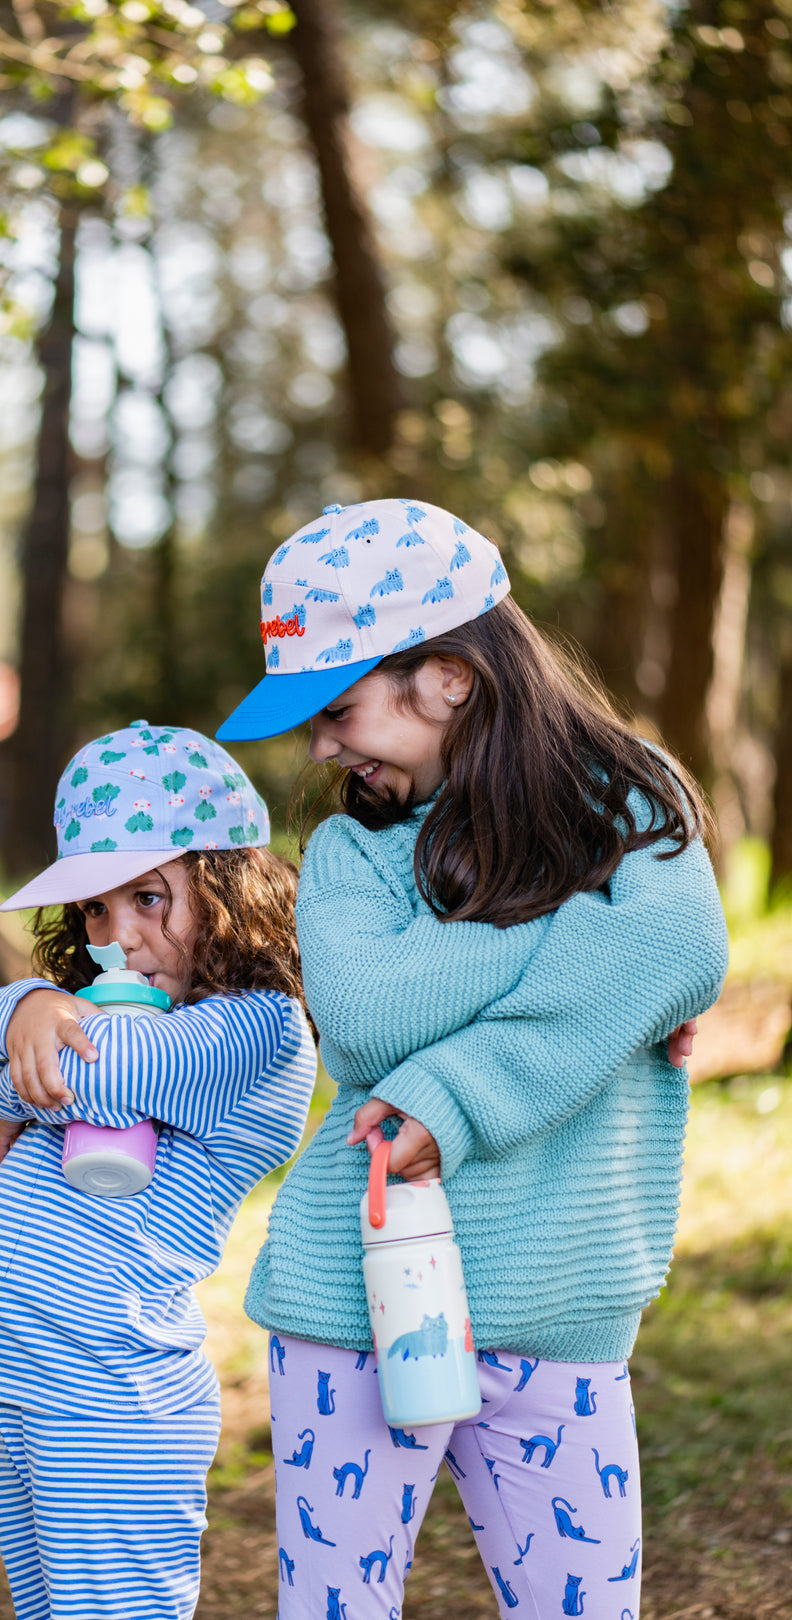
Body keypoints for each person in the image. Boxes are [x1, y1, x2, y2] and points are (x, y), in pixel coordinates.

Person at [213, 498, 728, 1620]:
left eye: (339, 708)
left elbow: (680, 949)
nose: (324, 747)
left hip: (560, 1303)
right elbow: (368, 1021)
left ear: (448, 678)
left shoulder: (637, 795)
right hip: (350, 1304)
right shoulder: (353, 848)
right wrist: (587, 945)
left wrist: (457, 1086)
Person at [0, 720, 317, 1620]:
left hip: (111, 1387)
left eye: (150, 898)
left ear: (231, 885)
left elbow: (88, 1074)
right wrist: (28, 1004)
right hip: (19, 1368)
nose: (117, 940)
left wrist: (30, 1039)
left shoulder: (255, 1027)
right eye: (95, 910)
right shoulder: (117, 1012)